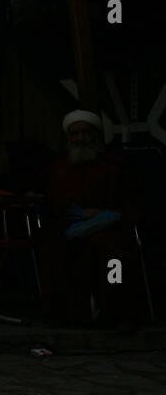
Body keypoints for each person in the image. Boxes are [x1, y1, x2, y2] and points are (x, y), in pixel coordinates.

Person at [41, 109, 143, 328]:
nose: (81, 139)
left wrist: (102, 215)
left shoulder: (114, 166)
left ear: (96, 135)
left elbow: (129, 202)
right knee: (56, 250)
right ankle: (72, 314)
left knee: (113, 257)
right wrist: (78, 216)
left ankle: (116, 312)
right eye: (75, 134)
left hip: (111, 229)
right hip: (69, 229)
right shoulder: (59, 168)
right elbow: (54, 204)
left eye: (86, 133)